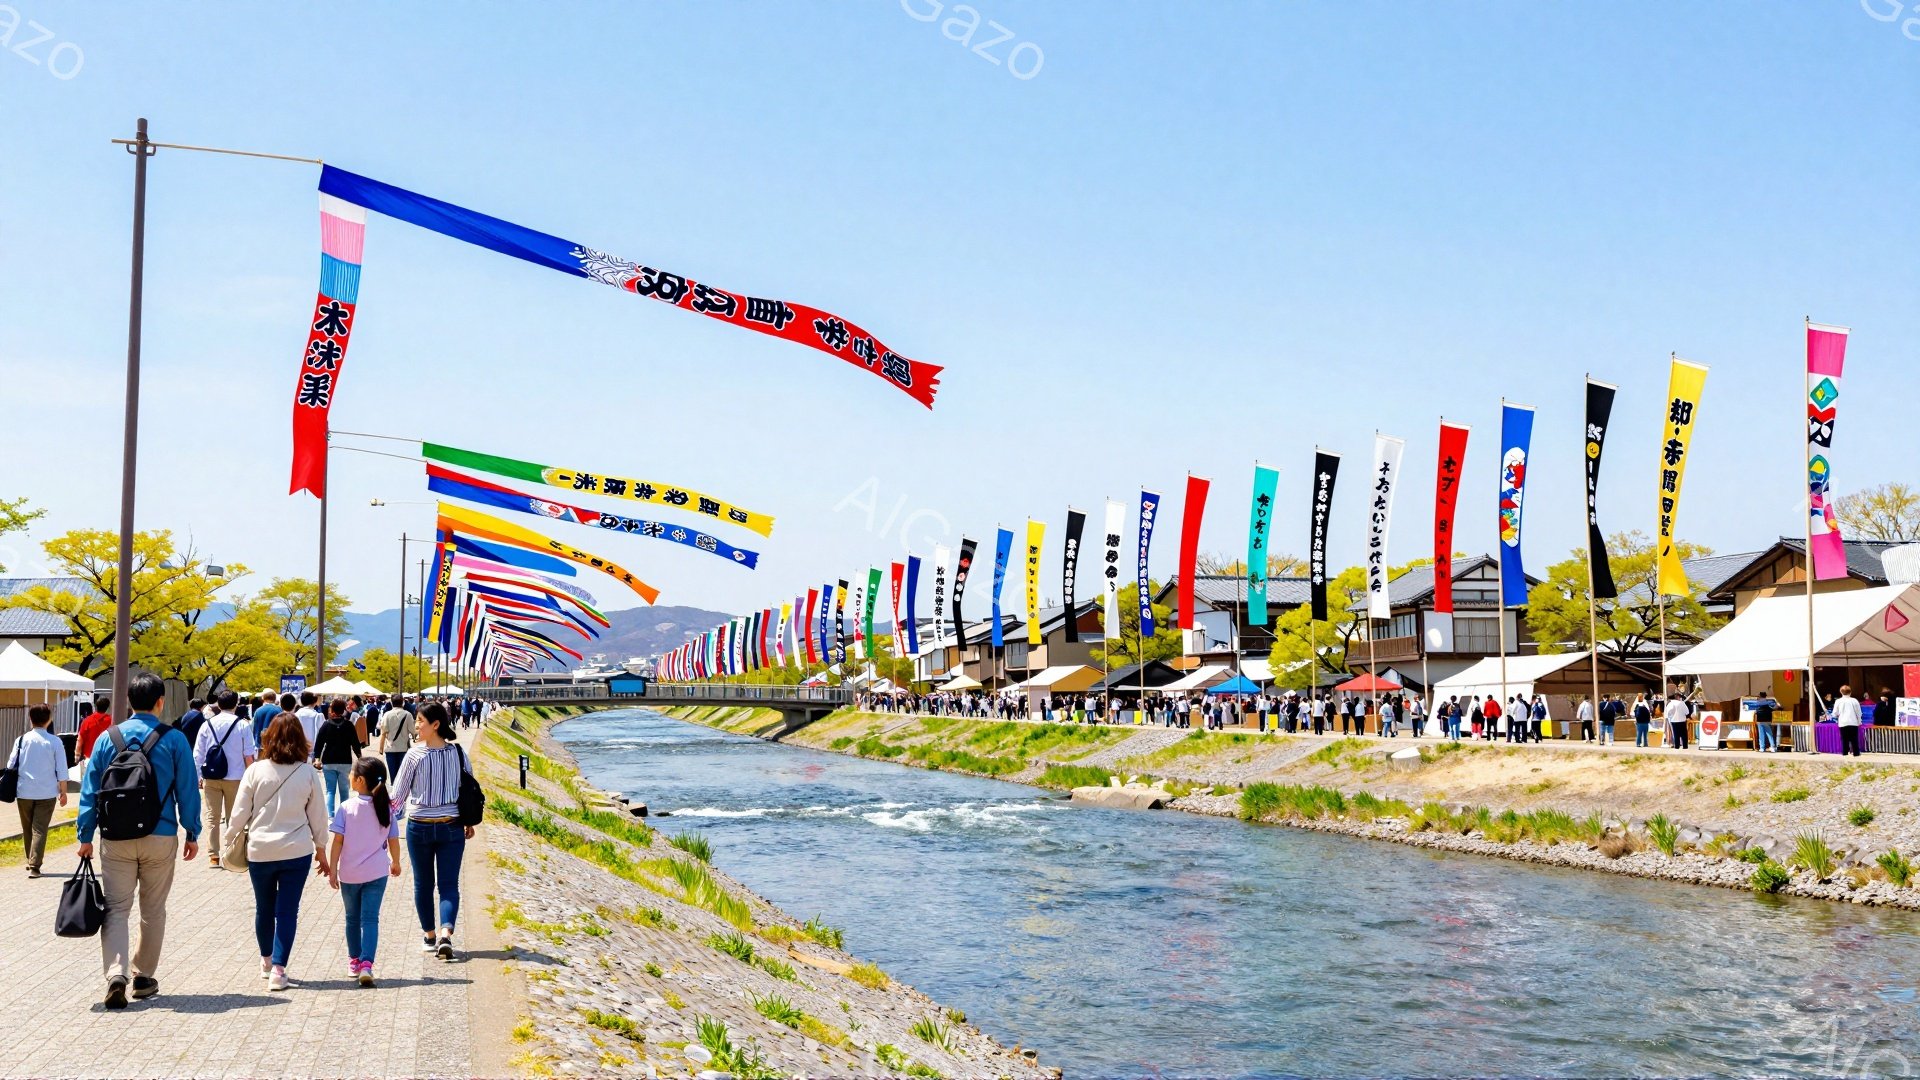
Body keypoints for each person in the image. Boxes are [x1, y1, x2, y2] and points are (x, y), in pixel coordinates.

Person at [74, 672, 201, 1009]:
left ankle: (116, 974)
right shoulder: (174, 740)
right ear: (160, 702)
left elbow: (90, 792)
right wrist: (192, 830)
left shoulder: (106, 738)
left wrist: (85, 836)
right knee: (153, 908)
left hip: (115, 838)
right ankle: (143, 976)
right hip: (160, 835)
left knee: (116, 908)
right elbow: (187, 789)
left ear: (128, 701)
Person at [230, 715, 331, 991]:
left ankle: (265, 960)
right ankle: (279, 968)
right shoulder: (307, 772)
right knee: (287, 910)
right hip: (296, 850)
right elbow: (318, 816)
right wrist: (322, 849)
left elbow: (240, 812)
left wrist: (228, 840)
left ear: (268, 738)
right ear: (300, 739)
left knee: (264, 907)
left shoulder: (255, 771)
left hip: (260, 849)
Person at [391, 702, 475, 960]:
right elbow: (469, 790)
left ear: (435, 724)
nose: (416, 726)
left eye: (420, 721)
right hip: (452, 826)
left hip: (420, 828)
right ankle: (445, 933)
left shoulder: (414, 756)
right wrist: (468, 821)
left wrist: (384, 828)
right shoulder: (459, 753)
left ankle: (429, 936)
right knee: (449, 884)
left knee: (423, 884)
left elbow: (397, 798)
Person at [328, 757, 401, 987]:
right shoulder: (386, 809)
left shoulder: (346, 808)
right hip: (377, 872)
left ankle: (354, 960)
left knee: (352, 918)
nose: (349, 776)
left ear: (359, 780)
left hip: (349, 873)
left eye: (352, 774)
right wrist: (396, 862)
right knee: (370, 919)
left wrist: (333, 869)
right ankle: (367, 965)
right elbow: (393, 840)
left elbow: (337, 842)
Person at [192, 690, 257, 871]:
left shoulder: (207, 725)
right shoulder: (242, 725)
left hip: (211, 777)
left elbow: (198, 753)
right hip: (236, 778)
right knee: (234, 817)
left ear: (218, 705)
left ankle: (213, 856)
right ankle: (232, 853)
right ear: (236, 704)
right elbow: (249, 755)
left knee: (212, 817)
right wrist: (252, 777)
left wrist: (198, 776)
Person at [8, 704, 68, 878]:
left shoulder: (21, 740)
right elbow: (62, 769)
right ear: (49, 720)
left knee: (27, 828)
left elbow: (11, 764)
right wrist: (63, 792)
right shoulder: (55, 741)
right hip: (47, 792)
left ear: (30, 719)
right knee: (40, 829)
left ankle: (31, 860)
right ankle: (34, 865)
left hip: (24, 791)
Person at [312, 700, 364, 815]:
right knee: (344, 790)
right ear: (344, 709)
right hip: (345, 760)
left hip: (329, 761)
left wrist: (317, 759)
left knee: (330, 790)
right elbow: (355, 743)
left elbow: (319, 743)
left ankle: (330, 815)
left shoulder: (326, 724)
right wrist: (360, 757)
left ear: (332, 710)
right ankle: (344, 814)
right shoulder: (349, 725)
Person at [379, 696, 416, 779]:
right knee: (402, 777)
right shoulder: (408, 714)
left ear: (391, 703)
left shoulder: (387, 715)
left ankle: (394, 791)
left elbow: (383, 733)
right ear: (403, 703)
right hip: (403, 749)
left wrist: (381, 748)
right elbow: (413, 731)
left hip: (390, 749)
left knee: (393, 777)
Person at [75, 693, 115, 761]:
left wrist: (77, 756)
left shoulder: (87, 721)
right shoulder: (112, 721)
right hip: (106, 759)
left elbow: (80, 739)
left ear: (96, 706)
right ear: (107, 708)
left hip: (89, 758)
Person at [1833, 684, 1864, 757]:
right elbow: (1858, 712)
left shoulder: (1838, 701)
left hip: (1843, 723)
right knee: (1854, 739)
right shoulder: (1854, 700)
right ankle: (1856, 753)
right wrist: (1859, 721)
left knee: (1844, 740)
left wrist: (1836, 716)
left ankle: (1845, 753)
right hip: (1853, 722)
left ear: (1841, 692)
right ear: (1850, 692)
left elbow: (1835, 713)